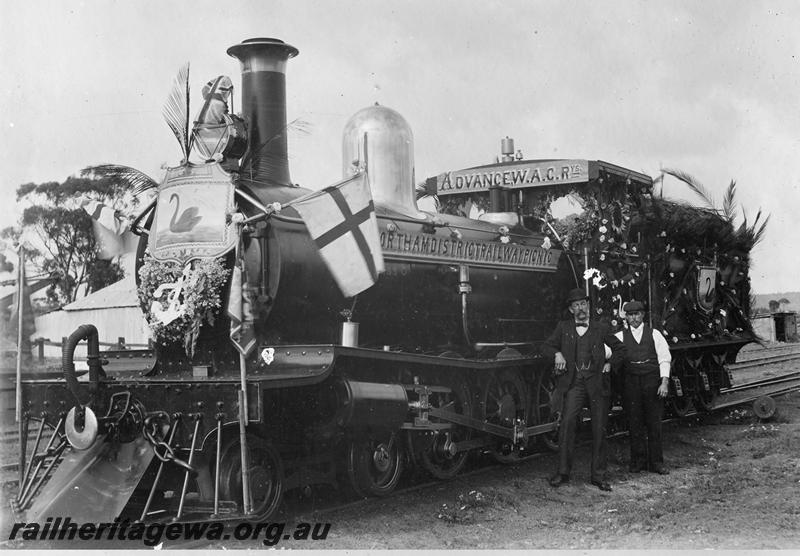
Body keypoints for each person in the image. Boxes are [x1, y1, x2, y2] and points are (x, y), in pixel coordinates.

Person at [542, 288, 626, 492]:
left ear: (588, 307)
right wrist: (557, 355)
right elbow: (546, 346)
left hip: (597, 383)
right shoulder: (563, 327)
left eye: (584, 304)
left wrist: (610, 365)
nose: (581, 308)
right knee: (568, 425)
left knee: (599, 429)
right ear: (571, 310)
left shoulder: (601, 328)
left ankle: (598, 476)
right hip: (574, 384)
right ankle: (563, 473)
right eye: (577, 305)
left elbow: (621, 349)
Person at [615, 300, 672, 474]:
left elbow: (664, 358)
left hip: (651, 382)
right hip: (631, 383)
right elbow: (606, 350)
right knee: (634, 423)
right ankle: (637, 461)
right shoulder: (620, 337)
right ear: (626, 317)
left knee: (654, 423)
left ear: (643, 315)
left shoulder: (654, 334)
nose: (634, 318)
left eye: (637, 314)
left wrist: (664, 382)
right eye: (630, 315)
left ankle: (656, 463)